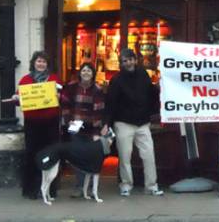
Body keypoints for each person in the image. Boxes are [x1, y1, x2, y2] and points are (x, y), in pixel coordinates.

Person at [106, 48, 164, 197]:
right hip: (123, 123)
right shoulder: (116, 80)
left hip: (143, 122)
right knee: (125, 157)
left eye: (130, 59)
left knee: (149, 155)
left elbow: (151, 93)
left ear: (135, 60)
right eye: (125, 61)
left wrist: (160, 88)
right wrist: (107, 123)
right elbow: (110, 102)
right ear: (121, 63)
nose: (128, 63)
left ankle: (152, 186)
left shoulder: (143, 75)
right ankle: (126, 185)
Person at [12, 51, 61, 199]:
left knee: (50, 155)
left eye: (44, 62)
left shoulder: (53, 79)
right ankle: (31, 189)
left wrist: (59, 96)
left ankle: (50, 189)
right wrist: (16, 98)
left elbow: (64, 97)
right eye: (39, 61)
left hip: (50, 123)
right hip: (32, 124)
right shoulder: (25, 80)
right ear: (34, 63)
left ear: (47, 64)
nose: (41, 64)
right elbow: (18, 101)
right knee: (32, 154)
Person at [60, 62, 108, 198]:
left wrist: (97, 132)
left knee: (92, 158)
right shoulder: (71, 87)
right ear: (80, 73)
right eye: (83, 70)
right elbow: (65, 104)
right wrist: (68, 120)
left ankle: (92, 189)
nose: (86, 73)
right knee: (78, 159)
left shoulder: (97, 90)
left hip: (91, 130)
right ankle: (79, 187)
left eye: (89, 71)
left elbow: (99, 111)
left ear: (93, 74)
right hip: (76, 129)